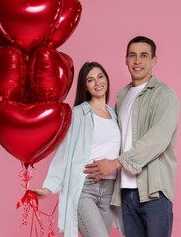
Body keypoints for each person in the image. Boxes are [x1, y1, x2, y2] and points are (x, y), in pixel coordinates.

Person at [84, 36, 180, 237]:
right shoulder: (121, 97)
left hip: (154, 193)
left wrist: (116, 163)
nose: (137, 61)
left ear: (154, 60)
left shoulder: (164, 95)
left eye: (144, 55)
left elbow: (157, 140)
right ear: (126, 60)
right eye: (132, 55)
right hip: (125, 194)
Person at [32, 62, 123, 237]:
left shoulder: (114, 115)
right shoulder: (78, 114)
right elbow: (64, 153)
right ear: (86, 87)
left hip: (109, 191)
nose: (97, 83)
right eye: (90, 80)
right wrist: (49, 187)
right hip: (85, 189)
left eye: (100, 76)